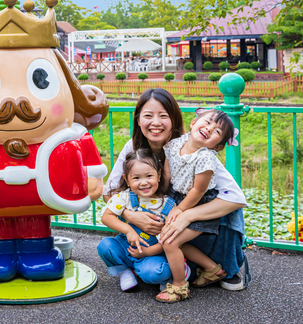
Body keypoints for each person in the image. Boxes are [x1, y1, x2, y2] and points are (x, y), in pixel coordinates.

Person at [103, 88, 248, 291]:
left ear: (174, 119)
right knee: (116, 250)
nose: (155, 123)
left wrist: (186, 216)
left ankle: (223, 266)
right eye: (148, 116)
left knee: (227, 211)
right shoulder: (133, 147)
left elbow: (235, 197)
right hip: (154, 227)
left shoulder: (193, 148)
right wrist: (131, 216)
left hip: (184, 218)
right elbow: (109, 191)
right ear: (137, 120)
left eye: (163, 116)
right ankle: (149, 266)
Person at [153, 109, 237, 302]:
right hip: (178, 198)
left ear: (218, 146)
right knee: (175, 239)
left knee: (170, 241)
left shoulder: (205, 158)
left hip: (199, 202)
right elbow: (167, 173)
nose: (209, 129)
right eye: (207, 122)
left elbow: (198, 191)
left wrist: (180, 210)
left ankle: (179, 286)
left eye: (217, 131)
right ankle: (212, 269)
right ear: (193, 123)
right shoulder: (175, 143)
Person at [97, 149, 187, 291]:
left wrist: (147, 252)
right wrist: (128, 230)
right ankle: (124, 271)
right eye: (136, 178)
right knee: (105, 246)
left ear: (158, 175)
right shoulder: (125, 197)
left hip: (151, 254)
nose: (143, 183)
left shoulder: (168, 205)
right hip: (127, 247)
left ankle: (166, 273)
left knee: (156, 272)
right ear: (126, 179)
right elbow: (106, 217)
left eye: (149, 176)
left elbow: (169, 239)